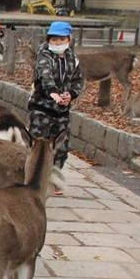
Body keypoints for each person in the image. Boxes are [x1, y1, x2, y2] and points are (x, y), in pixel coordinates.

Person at [27, 20, 82, 169]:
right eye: (54, 39)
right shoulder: (44, 54)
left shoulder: (73, 58)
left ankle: (55, 177)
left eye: (62, 39)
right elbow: (45, 75)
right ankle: (33, 173)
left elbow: (78, 80)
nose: (58, 43)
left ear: (69, 40)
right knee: (37, 144)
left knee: (61, 147)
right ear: (48, 39)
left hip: (62, 110)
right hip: (41, 107)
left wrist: (71, 94)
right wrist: (53, 92)